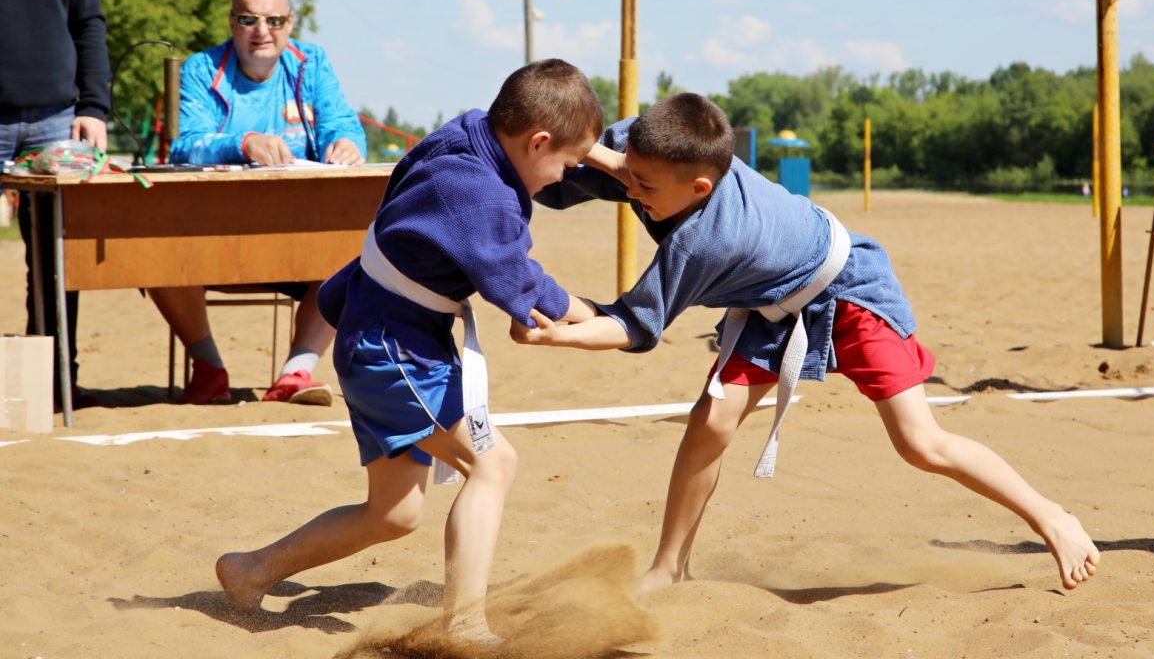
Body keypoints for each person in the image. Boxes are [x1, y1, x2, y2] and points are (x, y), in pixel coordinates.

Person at [516, 92, 1101, 593]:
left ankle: (1052, 517)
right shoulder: (652, 148)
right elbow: (596, 152)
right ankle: (671, 569)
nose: (631, 190)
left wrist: (555, 337)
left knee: (920, 443)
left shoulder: (706, 240)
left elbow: (633, 326)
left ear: (699, 187)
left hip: (851, 293)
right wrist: (596, 155)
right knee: (711, 422)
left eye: (643, 187)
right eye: (631, 173)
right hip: (773, 305)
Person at [214, 58, 603, 643]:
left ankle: (251, 569)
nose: (561, 180)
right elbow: (516, 283)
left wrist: (613, 156)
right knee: (493, 463)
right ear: (537, 140)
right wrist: (590, 313)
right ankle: (465, 624)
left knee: (393, 515)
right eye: (564, 166)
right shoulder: (478, 194)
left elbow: (547, 152)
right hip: (390, 347)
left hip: (388, 333)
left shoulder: (470, 132)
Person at [147, 0, 367, 406]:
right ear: (232, 23)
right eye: (249, 19)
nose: (262, 31)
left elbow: (341, 121)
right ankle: (208, 368)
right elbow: (184, 144)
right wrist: (243, 142)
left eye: (275, 19)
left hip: (301, 234)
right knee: (152, 251)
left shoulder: (313, 62)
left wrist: (345, 144)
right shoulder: (200, 69)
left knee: (359, 251)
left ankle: (295, 373)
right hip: (211, 234)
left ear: (291, 21)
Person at [0, 0, 110, 411]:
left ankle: (54, 381)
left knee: (52, 258)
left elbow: (88, 22)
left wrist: (94, 105)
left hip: (54, 121)